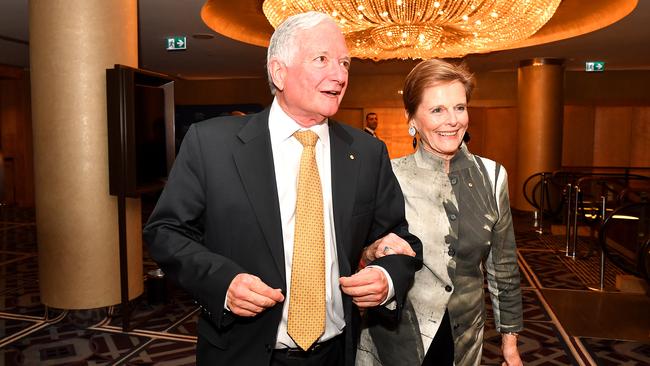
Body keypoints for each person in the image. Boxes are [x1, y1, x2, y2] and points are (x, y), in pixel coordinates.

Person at [143, 11, 422, 366]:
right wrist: (222, 283)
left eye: (345, 63)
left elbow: (398, 238)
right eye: (322, 59)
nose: (339, 75)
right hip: (241, 352)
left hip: (337, 353)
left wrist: (386, 277)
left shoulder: (366, 152)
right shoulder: (211, 144)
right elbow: (165, 232)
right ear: (279, 71)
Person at [356, 59, 523, 366]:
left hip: (465, 338)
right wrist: (371, 251)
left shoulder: (493, 176)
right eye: (437, 110)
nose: (452, 120)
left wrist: (510, 345)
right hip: (399, 338)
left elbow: (504, 267)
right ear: (412, 119)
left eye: (459, 107)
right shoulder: (389, 176)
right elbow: (358, 256)